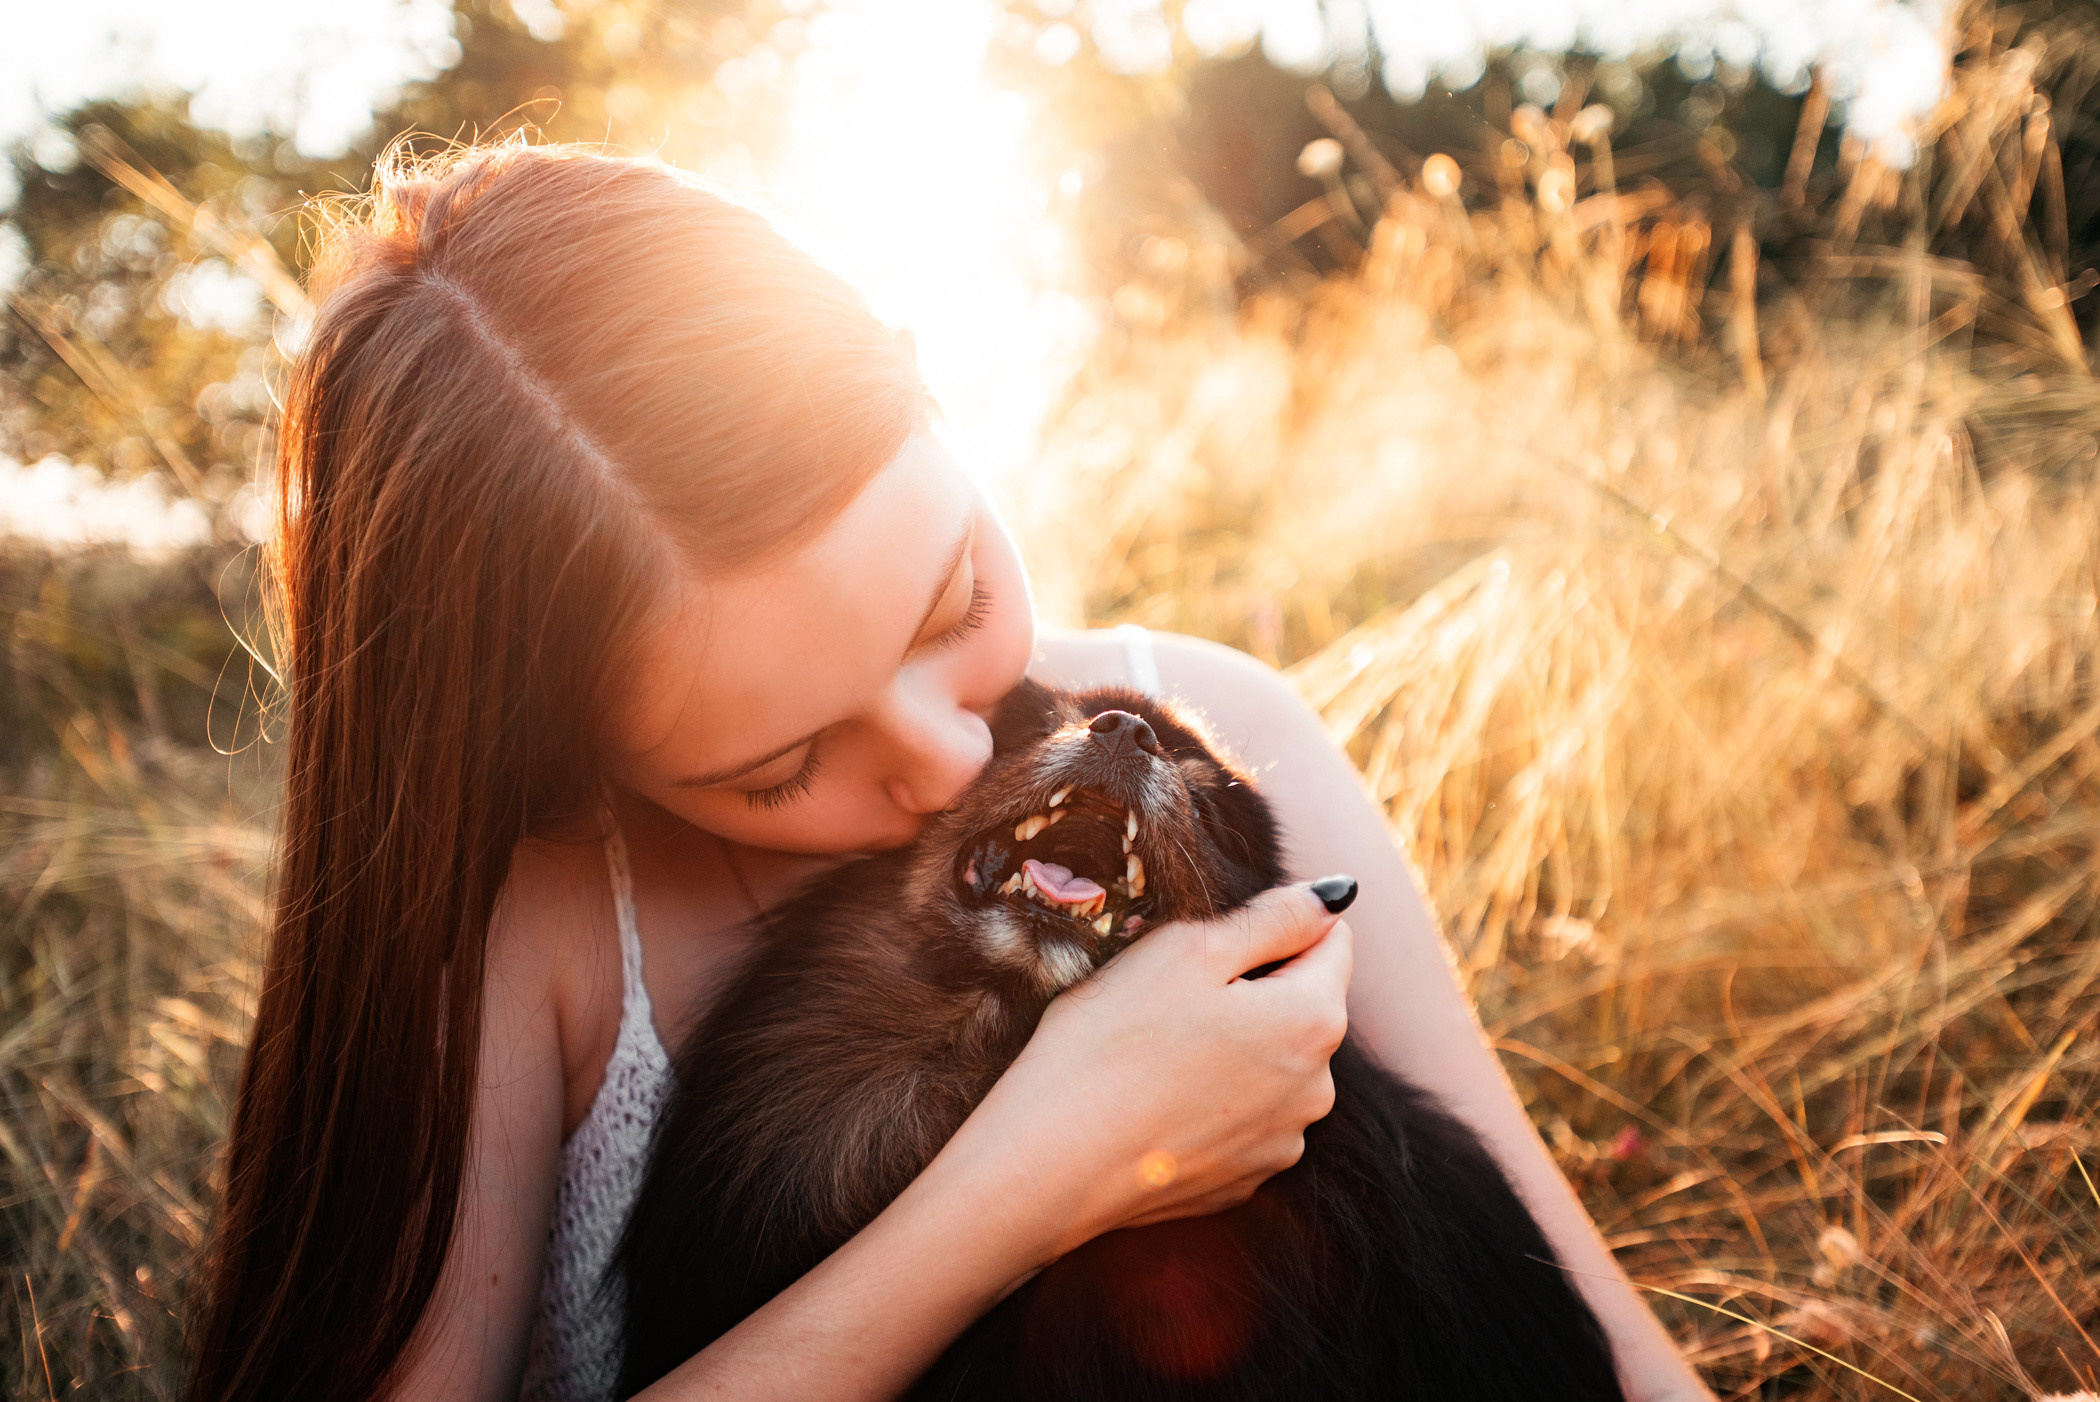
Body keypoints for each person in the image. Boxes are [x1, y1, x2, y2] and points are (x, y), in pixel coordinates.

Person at [186, 143, 1711, 1402]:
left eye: (952, 603)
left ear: (930, 385)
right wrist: (1039, 1173)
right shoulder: (545, 928)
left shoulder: (1222, 713)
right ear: (572, 756)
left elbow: (1577, 1319)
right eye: (782, 763)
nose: (943, 753)